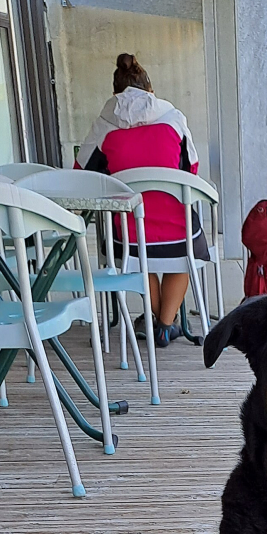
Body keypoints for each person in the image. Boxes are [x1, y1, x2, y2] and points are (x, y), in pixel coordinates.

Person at [76, 54, 208, 347]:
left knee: (140, 261)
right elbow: (191, 169)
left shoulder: (104, 125)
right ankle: (165, 326)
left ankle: (157, 322)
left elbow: (82, 173)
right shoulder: (174, 119)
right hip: (177, 229)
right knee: (182, 259)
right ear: (151, 90)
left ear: (115, 94)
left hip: (130, 234)